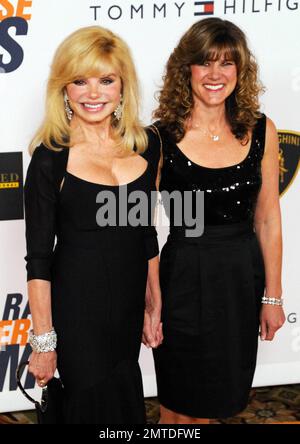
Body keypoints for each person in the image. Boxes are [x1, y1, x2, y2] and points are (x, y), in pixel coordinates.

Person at [24, 26, 162, 424]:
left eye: (106, 80)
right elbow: (38, 259)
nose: (93, 93)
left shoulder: (145, 146)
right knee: (89, 405)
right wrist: (44, 341)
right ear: (64, 90)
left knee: (124, 401)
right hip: (77, 311)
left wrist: (153, 304)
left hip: (127, 305)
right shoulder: (50, 159)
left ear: (122, 87)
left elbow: (146, 233)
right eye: (80, 81)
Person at [150, 18, 285, 424]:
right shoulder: (160, 137)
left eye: (227, 64)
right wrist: (150, 299)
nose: (215, 75)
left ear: (240, 72)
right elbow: (136, 225)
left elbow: (268, 220)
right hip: (183, 278)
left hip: (240, 280)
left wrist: (272, 297)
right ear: (185, 69)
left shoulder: (261, 130)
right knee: (177, 404)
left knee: (220, 401)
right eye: (205, 63)